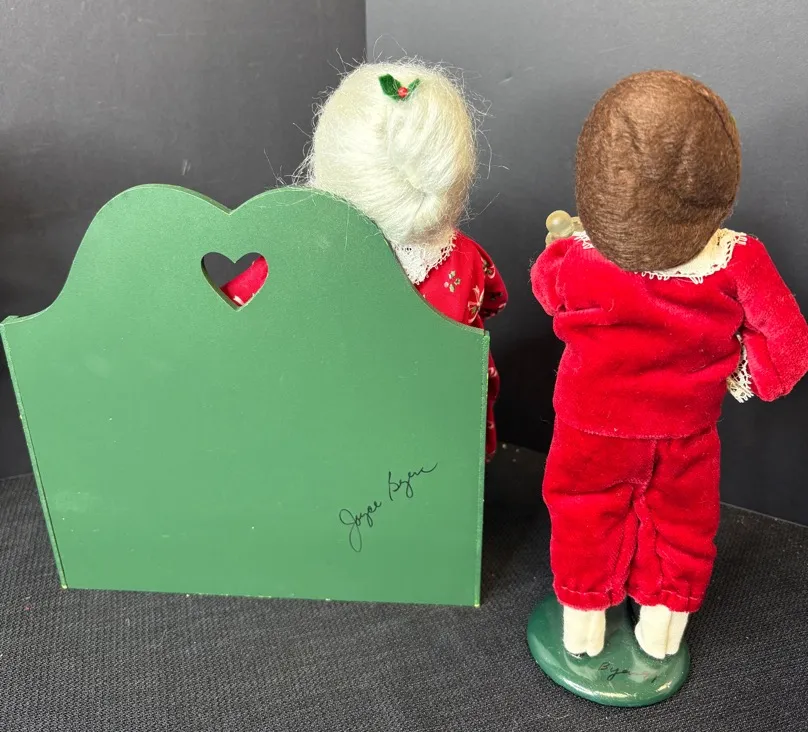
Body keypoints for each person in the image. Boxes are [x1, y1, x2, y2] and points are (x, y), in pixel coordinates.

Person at [532, 71, 808, 659]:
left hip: (589, 423)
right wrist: (740, 372)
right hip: (685, 430)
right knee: (680, 525)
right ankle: (660, 634)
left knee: (583, 512)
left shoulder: (572, 257)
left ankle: (583, 626)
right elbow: (789, 348)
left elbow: (546, 291)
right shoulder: (738, 260)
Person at [224, 63, 507, 458]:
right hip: (433, 436)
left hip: (321, 436)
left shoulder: (291, 262)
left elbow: (231, 316)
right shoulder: (464, 260)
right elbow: (493, 301)